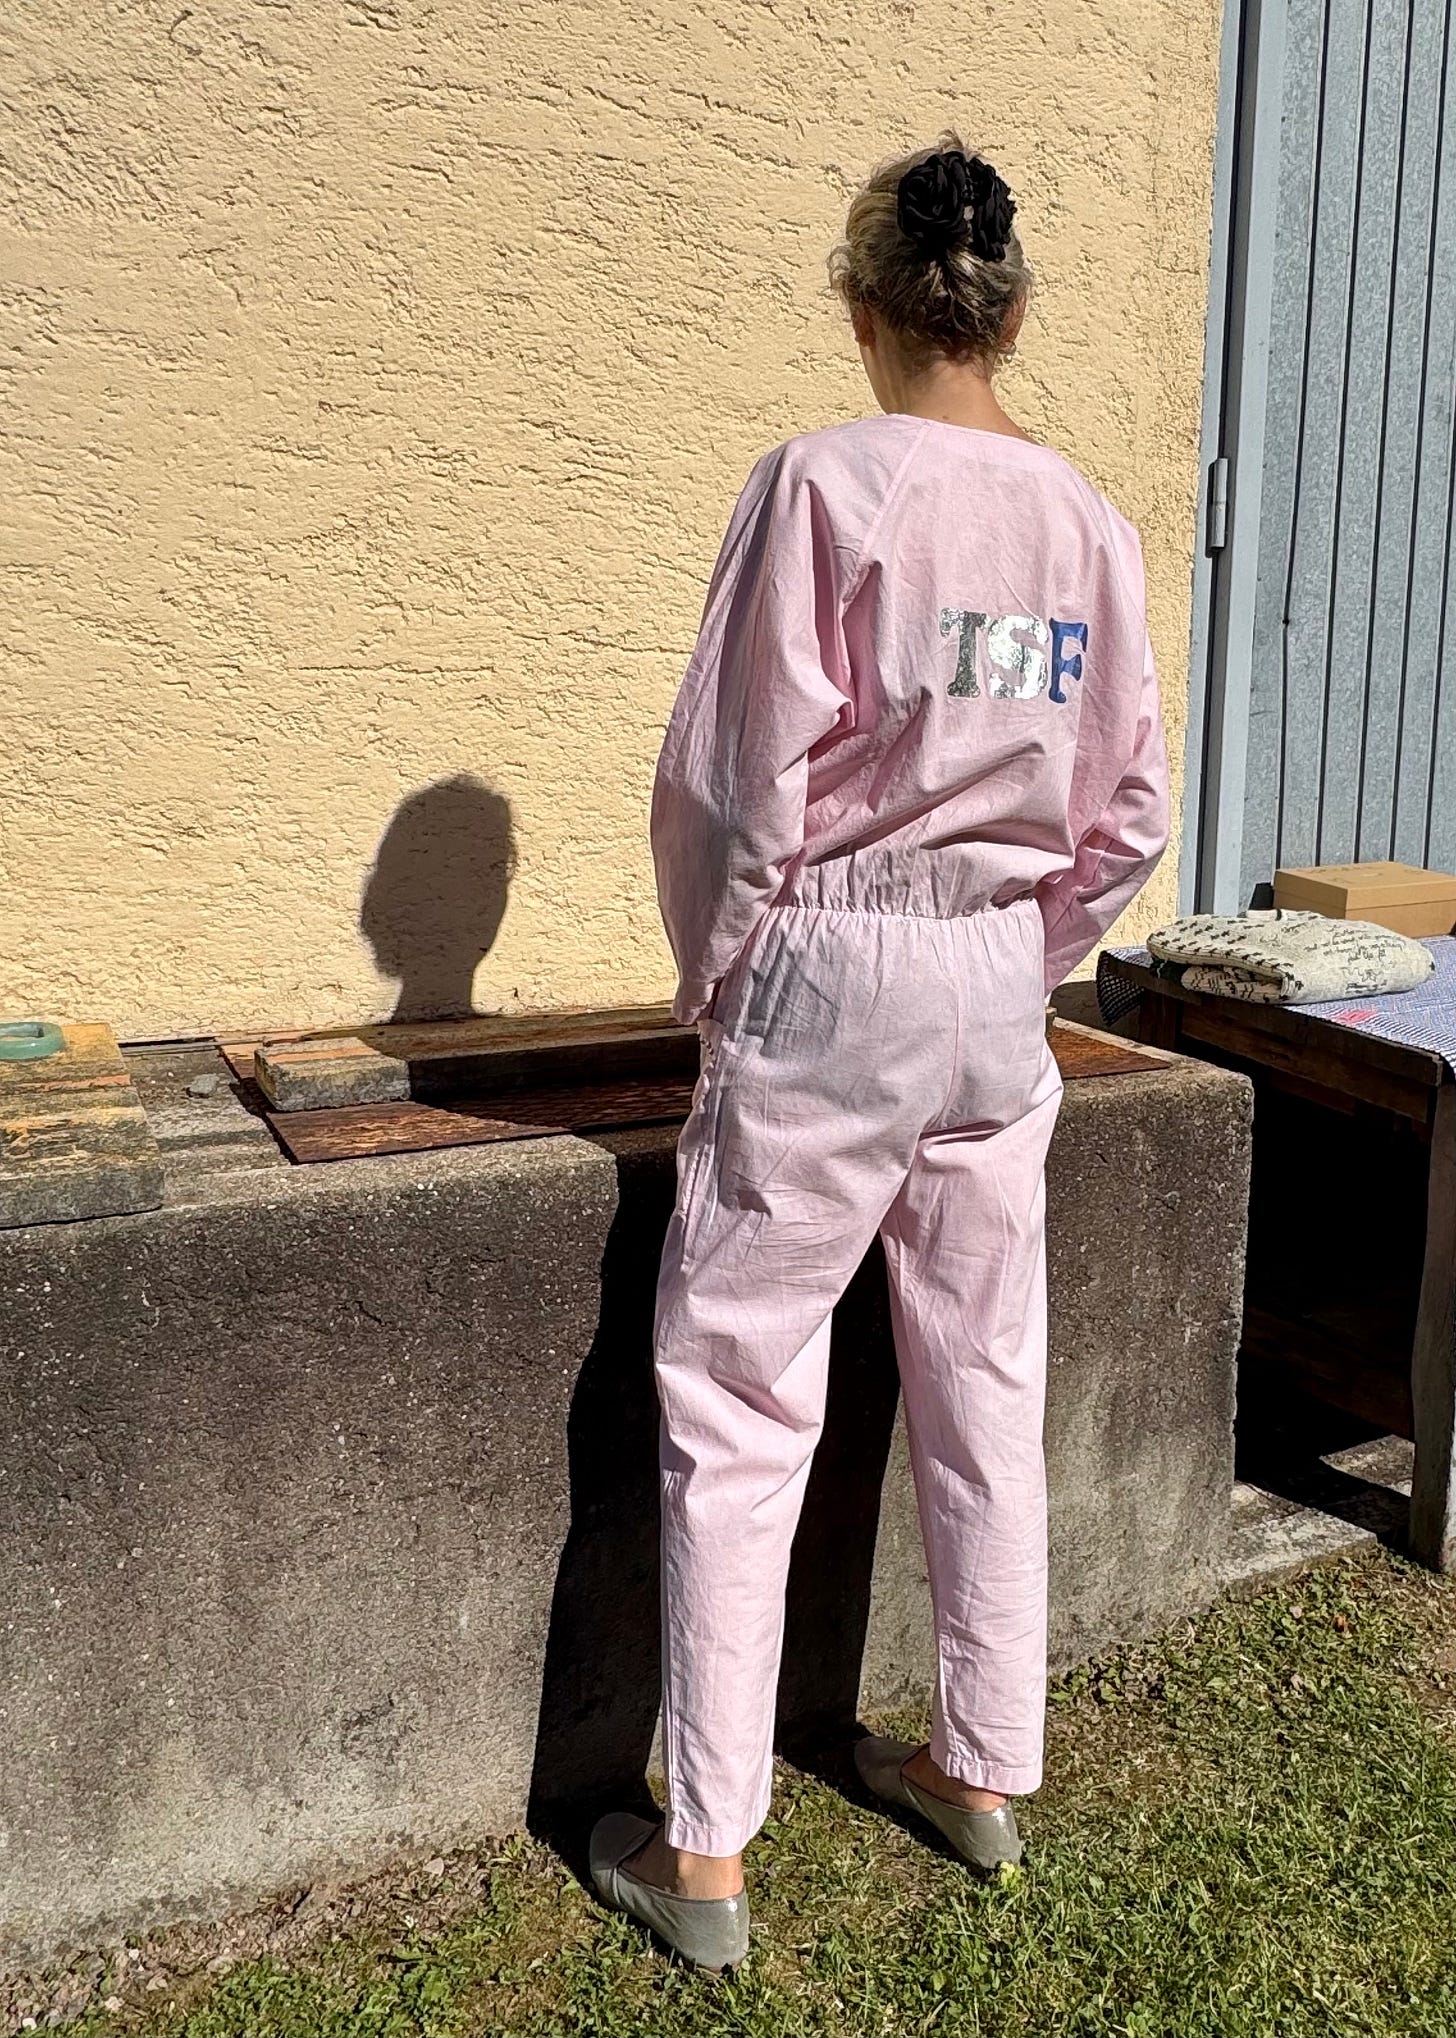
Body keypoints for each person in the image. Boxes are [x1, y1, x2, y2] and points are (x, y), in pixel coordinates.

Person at [590, 136, 1170, 1971]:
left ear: (865, 308)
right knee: (984, 1372)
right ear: (1011, 314)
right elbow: (1130, 809)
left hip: (833, 970)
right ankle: (982, 1763)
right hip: (996, 981)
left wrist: (723, 972)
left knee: (738, 1387)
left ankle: (703, 1851)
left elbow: (729, 783)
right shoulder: (1087, 524)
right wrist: (1026, 951)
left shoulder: (822, 486)